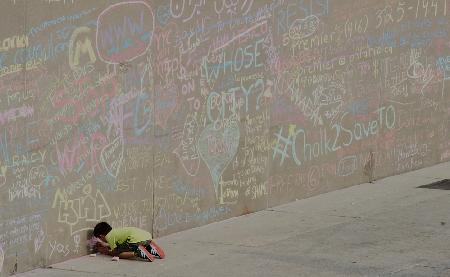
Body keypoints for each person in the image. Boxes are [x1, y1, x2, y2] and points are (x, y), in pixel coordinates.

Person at [93, 222, 165, 262]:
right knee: (123, 247)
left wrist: (106, 251)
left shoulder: (109, 236)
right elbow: (120, 246)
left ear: (101, 236)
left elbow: (115, 251)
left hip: (134, 240)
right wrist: (106, 245)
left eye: (100, 239)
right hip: (147, 237)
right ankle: (149, 247)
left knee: (117, 253)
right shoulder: (115, 232)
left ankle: (138, 253)